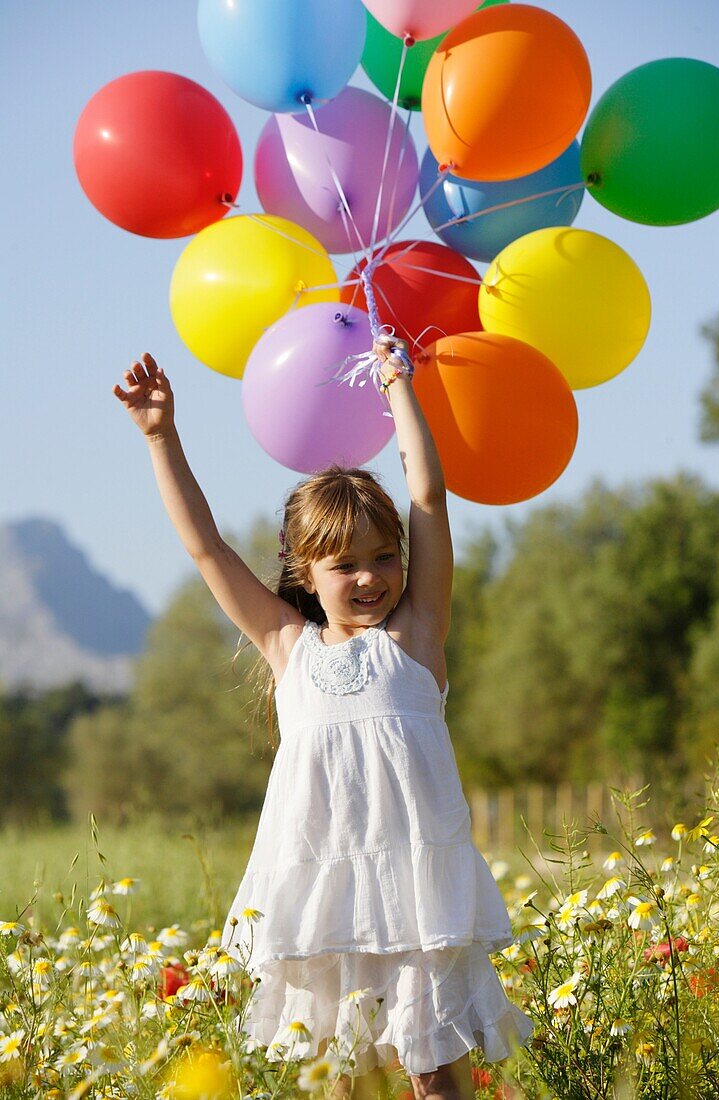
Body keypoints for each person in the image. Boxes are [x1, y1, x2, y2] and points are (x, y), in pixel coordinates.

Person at [113, 349, 533, 1099]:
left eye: (382, 557)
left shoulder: (418, 637)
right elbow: (205, 547)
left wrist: (397, 386)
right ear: (305, 573)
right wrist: (159, 437)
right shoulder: (288, 649)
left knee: (433, 1072)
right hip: (322, 899)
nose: (369, 576)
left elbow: (429, 499)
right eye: (344, 565)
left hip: (414, 894)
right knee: (341, 1075)